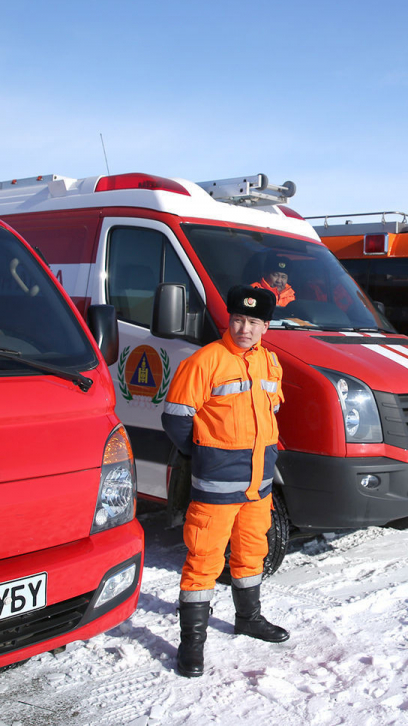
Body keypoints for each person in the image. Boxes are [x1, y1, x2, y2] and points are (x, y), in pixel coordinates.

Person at [160, 285, 289, 678]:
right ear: (228, 320)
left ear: (265, 326)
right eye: (238, 319)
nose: (244, 328)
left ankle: (248, 618)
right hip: (216, 485)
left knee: (251, 553)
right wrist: (202, 453)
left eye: (253, 322)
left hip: (258, 484)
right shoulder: (204, 361)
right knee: (203, 560)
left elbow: (273, 409)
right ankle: (191, 646)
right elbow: (175, 418)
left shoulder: (270, 363)